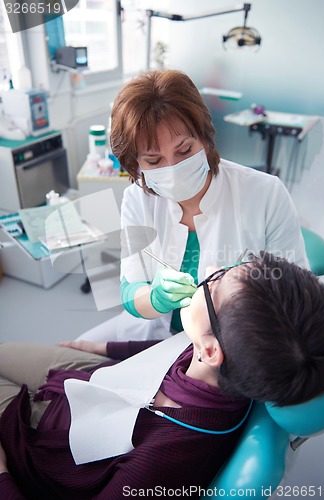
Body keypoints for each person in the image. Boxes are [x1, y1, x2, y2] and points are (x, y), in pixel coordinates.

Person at [1, 253, 324, 499]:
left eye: (215, 284)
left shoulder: (160, 461)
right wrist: (101, 347)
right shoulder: (225, 356)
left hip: (42, 445)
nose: (208, 273)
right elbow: (163, 351)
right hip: (94, 379)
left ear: (211, 350)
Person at [77, 68, 308, 343]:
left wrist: (247, 292)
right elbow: (130, 290)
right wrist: (155, 298)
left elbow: (297, 294)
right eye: (153, 161)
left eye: (185, 150)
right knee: (66, 362)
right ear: (135, 165)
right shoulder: (137, 200)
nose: (173, 168)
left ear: (205, 137)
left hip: (234, 345)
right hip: (152, 338)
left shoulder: (265, 194)